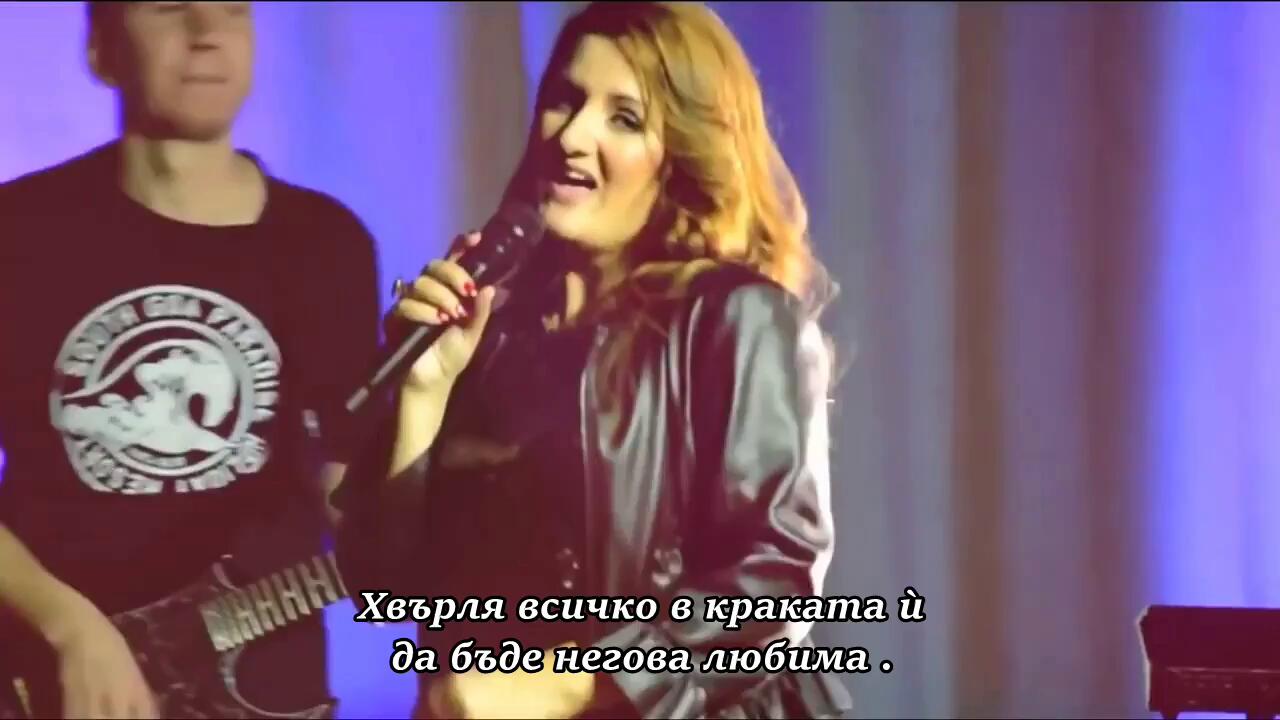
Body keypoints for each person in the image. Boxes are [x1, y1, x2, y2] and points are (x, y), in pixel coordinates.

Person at [334, 2, 853, 718]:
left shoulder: (735, 316)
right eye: (564, 101)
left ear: (683, 153)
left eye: (624, 118)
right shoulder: (494, 330)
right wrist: (426, 392)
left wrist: (569, 683)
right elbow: (385, 585)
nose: (573, 136)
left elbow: (774, 580)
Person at [0, 2, 380, 718]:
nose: (207, 32)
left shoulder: (328, 244)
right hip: (52, 688)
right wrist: (70, 628)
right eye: (171, 6)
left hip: (270, 693)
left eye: (233, 8)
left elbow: (350, 494)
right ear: (101, 49)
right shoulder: (17, 233)